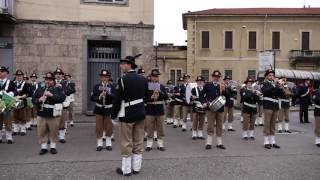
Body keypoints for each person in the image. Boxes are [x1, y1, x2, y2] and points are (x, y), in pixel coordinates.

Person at [111, 54, 148, 176]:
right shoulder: (143, 79)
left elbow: (117, 99)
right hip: (141, 112)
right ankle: (137, 168)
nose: (121, 66)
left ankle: (126, 170)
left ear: (129, 65)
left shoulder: (123, 79)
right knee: (138, 141)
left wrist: (113, 115)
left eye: (123, 64)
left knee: (126, 141)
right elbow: (146, 97)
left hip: (127, 114)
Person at [32, 72, 66, 155]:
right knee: (42, 131)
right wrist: (39, 100)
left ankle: (53, 147)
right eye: (46, 80)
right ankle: (43, 148)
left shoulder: (58, 88)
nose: (48, 81)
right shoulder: (40, 88)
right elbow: (33, 99)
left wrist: (51, 95)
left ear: (53, 80)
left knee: (53, 131)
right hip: (42, 113)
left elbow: (62, 98)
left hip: (53, 114)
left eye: (50, 80)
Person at [202, 70, 230, 150]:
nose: (216, 78)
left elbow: (228, 96)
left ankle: (219, 143)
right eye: (215, 76)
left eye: (218, 77)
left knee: (219, 125)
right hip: (211, 108)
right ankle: (209, 142)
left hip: (220, 108)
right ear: (212, 77)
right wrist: (204, 102)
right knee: (210, 125)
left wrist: (224, 90)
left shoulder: (221, 85)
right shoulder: (208, 85)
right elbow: (201, 95)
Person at [91, 69, 115, 151]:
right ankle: (99, 144)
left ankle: (108, 143)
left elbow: (116, 97)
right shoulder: (96, 86)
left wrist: (110, 94)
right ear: (101, 77)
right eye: (103, 77)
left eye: (106, 77)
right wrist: (99, 97)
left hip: (108, 108)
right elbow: (92, 97)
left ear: (108, 78)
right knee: (99, 126)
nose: (104, 78)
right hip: (99, 108)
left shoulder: (112, 86)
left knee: (109, 126)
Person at [145, 69, 168, 151]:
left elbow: (166, 97)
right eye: (153, 76)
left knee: (160, 127)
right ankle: (149, 144)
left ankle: (160, 144)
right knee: (149, 127)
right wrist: (150, 98)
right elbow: (144, 98)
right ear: (150, 77)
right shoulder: (147, 86)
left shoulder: (161, 86)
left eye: (156, 77)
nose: (155, 78)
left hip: (159, 109)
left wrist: (160, 92)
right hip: (150, 109)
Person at [261, 69, 284, 149]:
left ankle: (273, 141)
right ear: (266, 76)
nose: (272, 77)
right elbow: (265, 92)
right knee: (267, 124)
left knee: (273, 124)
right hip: (268, 106)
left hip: (275, 106)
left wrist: (281, 88)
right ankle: (266, 142)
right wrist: (274, 85)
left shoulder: (276, 84)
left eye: (273, 75)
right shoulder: (264, 83)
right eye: (270, 75)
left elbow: (281, 95)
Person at [0, 66, 16, 144]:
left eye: (2, 71)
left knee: (8, 121)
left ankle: (9, 137)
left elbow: (15, 91)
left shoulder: (11, 82)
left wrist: (10, 93)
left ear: (6, 73)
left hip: (7, 104)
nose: (0, 72)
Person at [13, 70, 29, 136]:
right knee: (15, 115)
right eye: (17, 76)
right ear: (16, 76)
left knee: (22, 115)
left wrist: (25, 95)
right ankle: (16, 129)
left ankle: (23, 129)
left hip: (23, 101)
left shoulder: (26, 84)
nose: (19, 77)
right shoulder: (13, 83)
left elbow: (28, 92)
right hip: (14, 101)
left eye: (20, 76)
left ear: (22, 76)